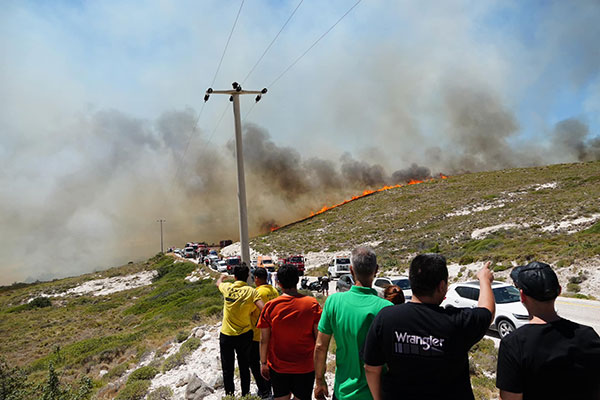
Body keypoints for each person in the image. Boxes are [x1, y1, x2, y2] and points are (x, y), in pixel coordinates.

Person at [363, 254, 495, 400]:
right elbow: (487, 312)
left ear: (411, 282)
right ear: (442, 286)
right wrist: (484, 280)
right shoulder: (457, 322)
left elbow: (371, 368)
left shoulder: (386, 318)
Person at [496, 261, 600, 400]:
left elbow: (510, 398)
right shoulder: (589, 335)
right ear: (559, 291)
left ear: (522, 296)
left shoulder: (514, 344)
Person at [314, 246, 393, 400]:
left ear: (351, 270)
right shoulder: (386, 308)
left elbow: (320, 346)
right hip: (375, 393)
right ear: (376, 270)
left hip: (343, 391)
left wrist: (319, 380)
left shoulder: (333, 302)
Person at [258, 265, 322, 400]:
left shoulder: (270, 306)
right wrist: (320, 367)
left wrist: (263, 363)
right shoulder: (312, 304)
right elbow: (318, 340)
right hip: (305, 367)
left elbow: (264, 339)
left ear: (279, 283)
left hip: (278, 367)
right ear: (297, 280)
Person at [216, 264, 265, 396]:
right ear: (248, 277)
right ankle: (245, 394)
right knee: (244, 367)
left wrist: (222, 277)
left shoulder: (227, 288)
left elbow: (218, 283)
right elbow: (264, 309)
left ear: (235, 276)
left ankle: (230, 395)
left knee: (227, 368)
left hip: (227, 334)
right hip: (245, 335)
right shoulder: (251, 291)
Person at [250, 267, 280, 399]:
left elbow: (250, 310)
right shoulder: (273, 290)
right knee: (271, 361)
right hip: (274, 332)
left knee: (258, 363)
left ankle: (264, 391)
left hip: (258, 333)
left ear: (256, 278)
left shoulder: (257, 292)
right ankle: (273, 388)